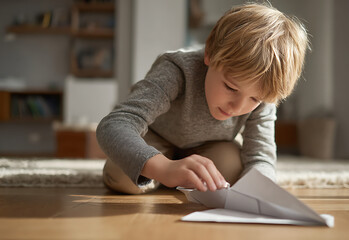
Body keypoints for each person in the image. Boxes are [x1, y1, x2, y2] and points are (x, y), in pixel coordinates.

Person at [96, 3, 309, 194]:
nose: (238, 106)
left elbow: (261, 157)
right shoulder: (176, 70)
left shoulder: (263, 94)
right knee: (121, 177)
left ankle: (178, 176)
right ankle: (170, 175)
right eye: (230, 87)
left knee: (234, 171)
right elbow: (115, 125)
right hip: (155, 139)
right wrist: (164, 168)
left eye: (254, 99)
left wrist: (259, 190)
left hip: (211, 147)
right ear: (209, 52)